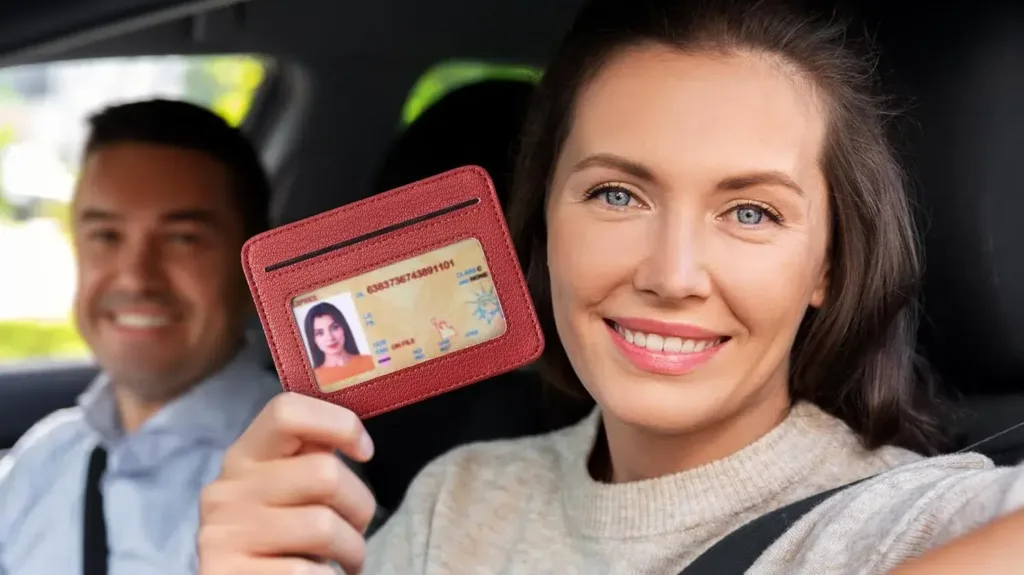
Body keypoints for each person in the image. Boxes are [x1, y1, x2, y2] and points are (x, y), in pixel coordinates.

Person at [195, 0, 1024, 574]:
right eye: (616, 195)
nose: (671, 275)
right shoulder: (461, 498)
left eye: (750, 212)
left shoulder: (917, 521)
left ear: (829, 266)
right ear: (545, 225)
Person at [0, 99, 281, 574]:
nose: (135, 278)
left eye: (182, 239)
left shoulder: (298, 467)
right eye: (106, 236)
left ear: (255, 266)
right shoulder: (45, 459)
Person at [304, 301, 374, 384]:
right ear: (313, 339)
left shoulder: (371, 361)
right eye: (320, 333)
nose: (330, 338)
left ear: (343, 328)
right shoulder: (313, 379)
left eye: (334, 327)